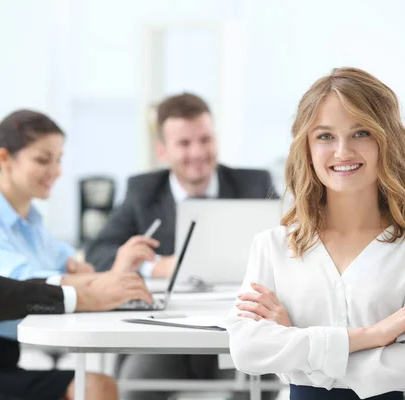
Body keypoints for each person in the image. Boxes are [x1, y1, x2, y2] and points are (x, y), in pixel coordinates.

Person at [0, 52, 153, 400]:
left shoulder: (33, 221)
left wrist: (97, 279)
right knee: (97, 387)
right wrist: (81, 293)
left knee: (99, 385)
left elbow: (65, 266)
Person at [226, 67, 405, 400]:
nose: (343, 151)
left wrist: (295, 343)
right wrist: (372, 336)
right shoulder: (272, 247)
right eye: (325, 136)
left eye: (361, 133)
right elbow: (247, 350)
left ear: (386, 140)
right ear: (307, 147)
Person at [85, 92, 279, 399]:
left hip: (235, 328)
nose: (198, 152)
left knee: (262, 377)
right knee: (136, 382)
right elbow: (98, 252)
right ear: (162, 150)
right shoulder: (142, 190)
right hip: (164, 335)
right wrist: (154, 265)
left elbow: (286, 245)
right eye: (184, 143)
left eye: (205, 139)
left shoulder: (254, 183)